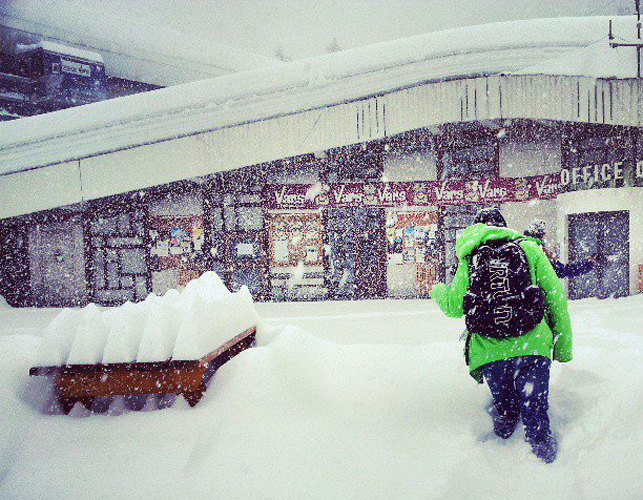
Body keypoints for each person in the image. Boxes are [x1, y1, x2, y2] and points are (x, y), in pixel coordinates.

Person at [430, 208, 572, 463]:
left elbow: (453, 306)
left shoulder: (470, 255)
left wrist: (437, 289)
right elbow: (556, 300)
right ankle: (544, 459)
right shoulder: (529, 249)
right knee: (535, 408)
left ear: (476, 228)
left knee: (506, 409)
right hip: (532, 345)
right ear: (504, 227)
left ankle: (498, 456)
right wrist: (562, 347)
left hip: (491, 351)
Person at [524, 220, 596, 279]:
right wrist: (588, 264)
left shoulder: (523, 249)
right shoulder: (538, 255)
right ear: (541, 236)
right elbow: (563, 271)